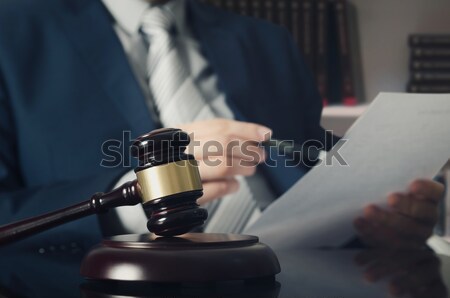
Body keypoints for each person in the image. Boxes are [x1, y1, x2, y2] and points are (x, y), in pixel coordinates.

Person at [0, 0, 443, 251]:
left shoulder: (267, 40)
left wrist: (388, 212)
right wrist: (133, 196)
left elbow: (311, 162)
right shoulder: (13, 34)